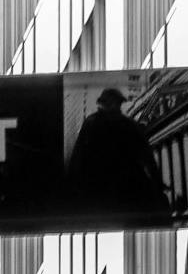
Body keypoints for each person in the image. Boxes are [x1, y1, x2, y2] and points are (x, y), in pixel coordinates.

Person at [66, 87, 171, 215]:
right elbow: (147, 156)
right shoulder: (128, 124)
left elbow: (78, 157)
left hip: (100, 188)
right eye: (115, 103)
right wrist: (157, 183)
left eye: (118, 103)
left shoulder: (92, 122)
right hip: (125, 186)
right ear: (107, 103)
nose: (117, 106)